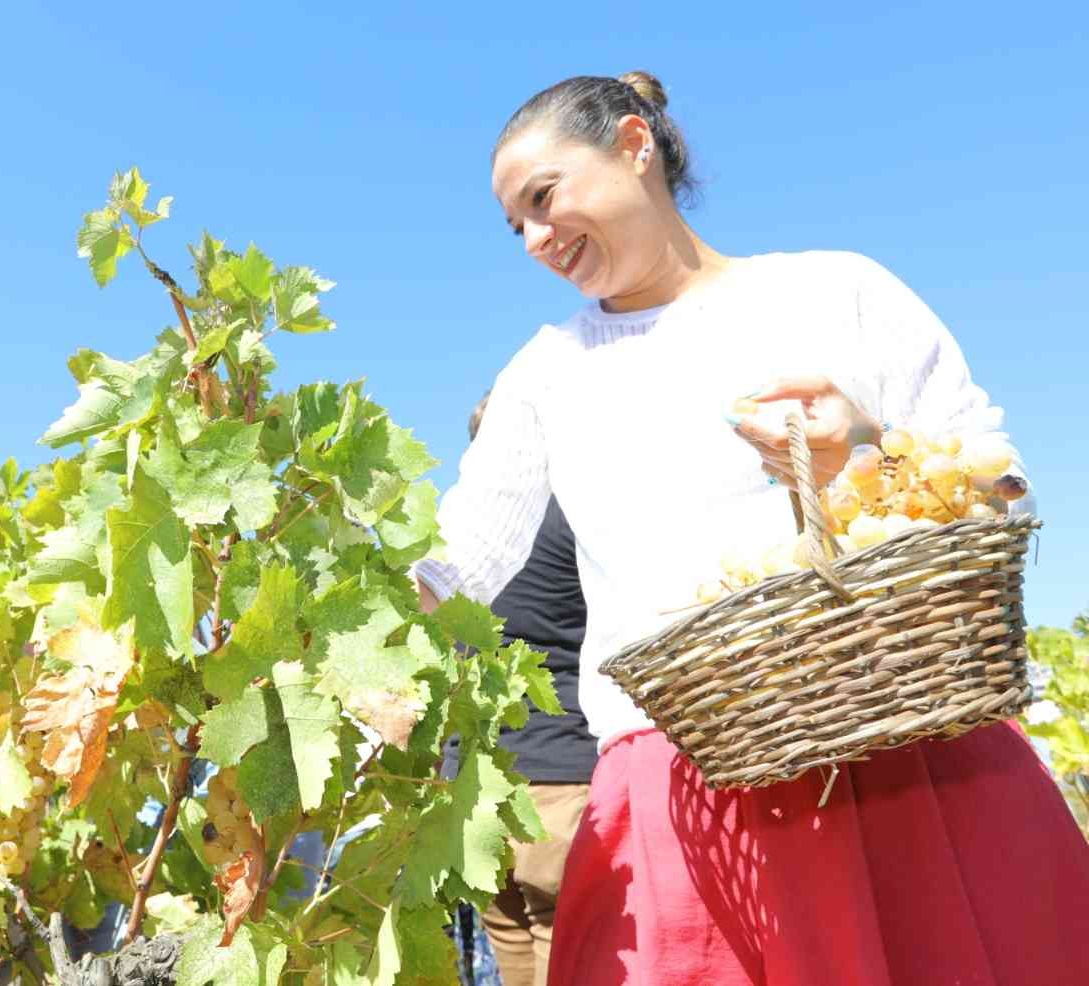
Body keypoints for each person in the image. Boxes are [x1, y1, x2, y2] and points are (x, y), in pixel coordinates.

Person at [414, 72, 1089, 986]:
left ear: (633, 146)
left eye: (544, 198)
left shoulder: (836, 291)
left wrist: (867, 446)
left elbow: (1001, 484)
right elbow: (459, 566)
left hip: (909, 754)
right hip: (684, 794)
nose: (536, 241)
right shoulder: (543, 375)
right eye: (516, 226)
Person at [445, 395, 596, 986]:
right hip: (557, 778)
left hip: (470, 789)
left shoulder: (449, 537)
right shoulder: (572, 519)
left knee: (507, 939)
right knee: (569, 942)